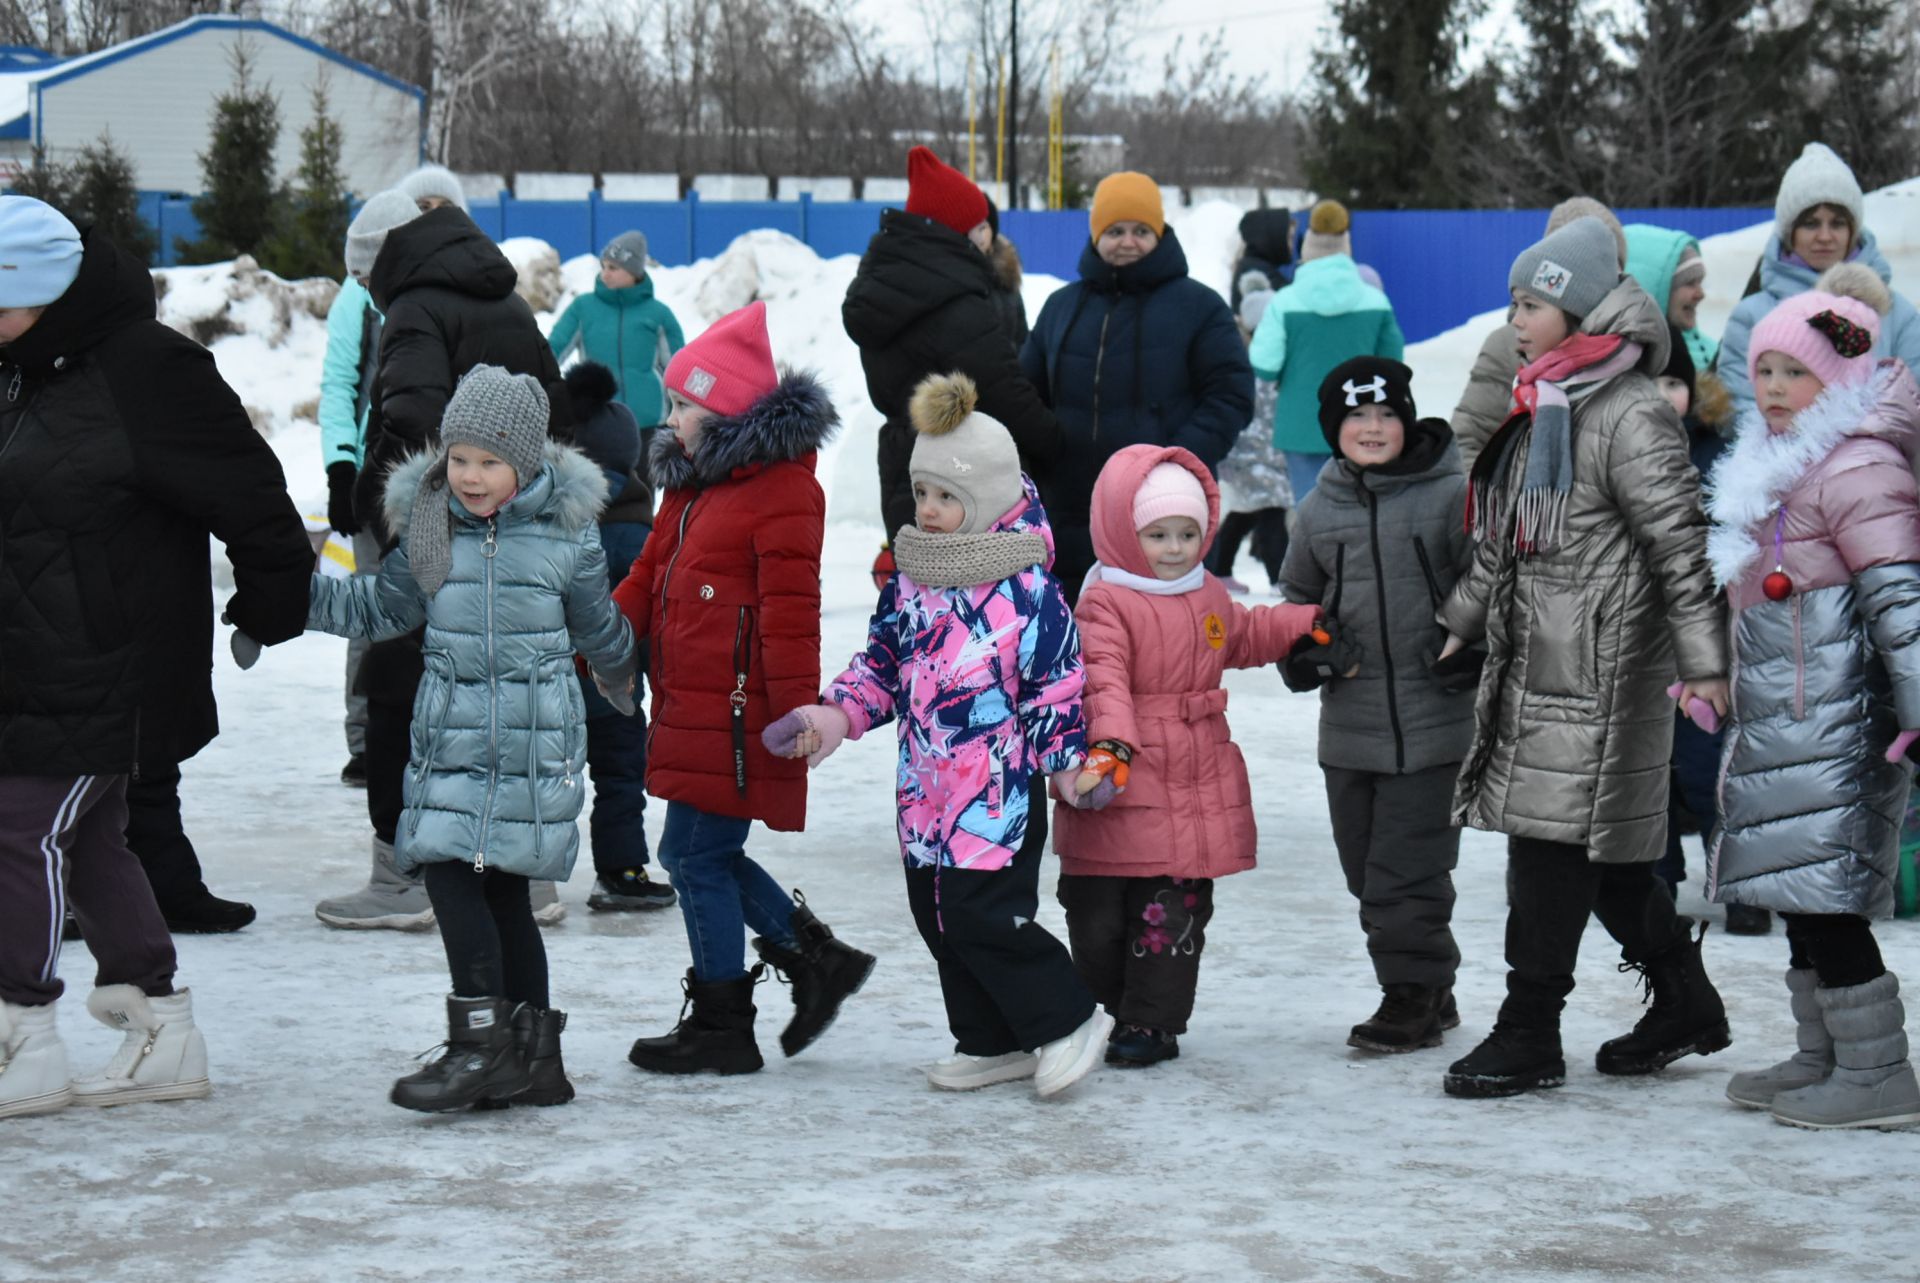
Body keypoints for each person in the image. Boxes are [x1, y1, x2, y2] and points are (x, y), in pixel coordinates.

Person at [0, 197, 312, 1120]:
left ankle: (21, 1033)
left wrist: (271, 602)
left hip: (110, 660)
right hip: (32, 660)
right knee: (92, 835)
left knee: (15, 830)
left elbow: (252, 492)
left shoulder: (148, 369)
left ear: (41, 293)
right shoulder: (22, 370)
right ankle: (160, 1025)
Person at [1436, 217, 1732, 1100]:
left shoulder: (1629, 411)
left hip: (1603, 670)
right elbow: (1506, 537)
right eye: (1514, 303)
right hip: (1543, 661)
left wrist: (1706, 662)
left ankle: (1529, 1028)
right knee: (1600, 854)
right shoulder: (1550, 400)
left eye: (1530, 304)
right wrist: (1464, 617)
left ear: (1576, 306)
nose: (1516, 320)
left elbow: (1682, 543)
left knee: (1548, 851)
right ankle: (1684, 998)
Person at [766, 372, 1111, 1096]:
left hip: (997, 792)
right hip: (924, 791)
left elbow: (1056, 686)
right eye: (922, 492)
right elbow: (884, 664)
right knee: (938, 916)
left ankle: (1068, 1017)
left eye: (947, 496)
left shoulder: (1029, 593)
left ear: (985, 500)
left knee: (985, 915)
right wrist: (834, 714)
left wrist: (1067, 765)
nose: (929, 508)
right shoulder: (913, 579)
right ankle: (992, 1038)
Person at [307, 366, 635, 1113]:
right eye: (459, 458)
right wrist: (294, 596)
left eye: (490, 461)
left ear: (525, 462)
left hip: (531, 739)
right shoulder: (432, 522)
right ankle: (528, 1058)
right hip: (453, 731)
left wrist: (623, 676)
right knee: (461, 870)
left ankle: (490, 1047)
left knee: (492, 885)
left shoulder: (568, 530)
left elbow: (597, 622)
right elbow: (380, 606)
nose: (471, 476)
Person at [612, 303, 874, 1075]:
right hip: (691, 705)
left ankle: (728, 1017)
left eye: (684, 405)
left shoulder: (783, 491)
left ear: (725, 408)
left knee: (693, 853)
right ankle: (811, 958)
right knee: (702, 850)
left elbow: (794, 613)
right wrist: (607, 636)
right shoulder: (689, 487)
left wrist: (799, 711)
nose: (672, 420)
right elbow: (648, 573)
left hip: (742, 716)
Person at [315, 190, 572, 931]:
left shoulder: (414, 308)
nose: (365, 292)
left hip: (441, 535)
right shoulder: (507, 299)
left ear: (378, 263)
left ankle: (403, 876)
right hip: (518, 533)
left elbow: (411, 418)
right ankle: (525, 879)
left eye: (363, 278)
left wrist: (378, 498)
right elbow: (553, 406)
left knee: (401, 689)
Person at [1705, 264, 1920, 1130]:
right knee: (1799, 890)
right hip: (1787, 711)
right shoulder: (1779, 464)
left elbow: (1900, 599)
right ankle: (1825, 1052)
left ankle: (1878, 1072)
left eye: (1796, 371)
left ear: (1839, 373)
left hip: (1839, 716)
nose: (1776, 388)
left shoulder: (1859, 465)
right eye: (1764, 370)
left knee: (1826, 894)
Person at [1056, 443, 1318, 1067]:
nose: (1174, 548)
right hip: (1116, 775)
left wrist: (1302, 622)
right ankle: (1100, 1006)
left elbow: (1244, 633)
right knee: (1098, 916)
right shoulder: (1105, 600)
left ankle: (1152, 1023)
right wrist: (1112, 744)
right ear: (1123, 532)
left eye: (1187, 533)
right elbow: (1102, 676)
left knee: (1170, 912)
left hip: (1193, 779)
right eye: (1157, 534)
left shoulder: (1206, 596)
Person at [1278, 358, 1476, 1053]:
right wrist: (1309, 647)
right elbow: (1296, 602)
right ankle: (1432, 983)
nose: (1371, 428)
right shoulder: (1320, 506)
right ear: (1334, 430)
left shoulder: (1451, 493)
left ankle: (1411, 995)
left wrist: (1468, 641)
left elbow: (1487, 585)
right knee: (1365, 868)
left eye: (1385, 415)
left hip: (1434, 720)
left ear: (1407, 419)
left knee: (1407, 869)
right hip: (1351, 725)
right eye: (1356, 417)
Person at [1023, 172, 1252, 599]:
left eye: (1141, 231)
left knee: (1161, 648)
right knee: (1075, 647)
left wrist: (1176, 463)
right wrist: (1047, 450)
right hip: (1069, 513)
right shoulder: (1061, 307)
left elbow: (1231, 395)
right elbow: (1026, 392)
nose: (1127, 242)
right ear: (1096, 236)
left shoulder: (1199, 307)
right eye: (1115, 231)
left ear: (1159, 234)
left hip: (1162, 514)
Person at [844, 145, 1061, 581]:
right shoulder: (957, 303)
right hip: (962, 475)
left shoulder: (887, 285)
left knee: (922, 603)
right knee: (971, 613)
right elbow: (1004, 389)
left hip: (907, 465)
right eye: (981, 227)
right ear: (958, 231)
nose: (989, 238)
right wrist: (1057, 440)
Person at [323, 166, 471, 789]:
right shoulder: (358, 295)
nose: (430, 214)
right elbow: (340, 383)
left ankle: (438, 732)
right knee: (374, 610)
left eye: (441, 206)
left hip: (453, 481)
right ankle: (367, 737)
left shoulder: (461, 287)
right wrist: (341, 466)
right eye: (422, 205)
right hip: (375, 480)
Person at [1647, 323, 1763, 932]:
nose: (1665, 395)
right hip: (1640, 641)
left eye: (1676, 382)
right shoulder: (1622, 454)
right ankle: (1657, 882)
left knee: (1709, 763)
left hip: (1707, 639)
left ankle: (1741, 883)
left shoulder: (1716, 455)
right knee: (1650, 769)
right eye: (1653, 382)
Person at [563, 360, 673, 911]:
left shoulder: (551, 514)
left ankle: (523, 874)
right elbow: (648, 613)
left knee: (543, 780)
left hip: (553, 682)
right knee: (620, 779)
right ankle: (621, 869)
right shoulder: (636, 527)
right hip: (615, 688)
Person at [1718, 143, 1920, 424]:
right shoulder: (1750, 316)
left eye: (1837, 223)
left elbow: (1913, 402)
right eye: (1811, 224)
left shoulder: (1897, 313)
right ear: (1789, 232)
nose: (1825, 236)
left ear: (1853, 230)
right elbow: (1739, 410)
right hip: (1780, 464)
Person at [1451, 199, 1627, 469]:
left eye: (1609, 260)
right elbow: (1467, 440)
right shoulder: (1508, 346)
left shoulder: (1633, 345)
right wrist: (1497, 505)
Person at [1249, 200, 1403, 504]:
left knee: (1311, 516)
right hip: (1363, 426)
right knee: (1361, 514)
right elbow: (1393, 365)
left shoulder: (1284, 302)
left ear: (1308, 247)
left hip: (1300, 426)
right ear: (1346, 245)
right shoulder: (1375, 301)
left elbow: (1265, 365)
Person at [1212, 221, 1294, 593]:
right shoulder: (1261, 365)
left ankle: (1220, 568)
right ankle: (1279, 578)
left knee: (1246, 513)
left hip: (1254, 453)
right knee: (1271, 512)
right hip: (1256, 452)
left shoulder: (1253, 357)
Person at [548, 230, 684, 424]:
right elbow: (552, 352)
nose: (605, 274)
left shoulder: (659, 314)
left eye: (613, 268)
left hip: (649, 422)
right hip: (595, 420)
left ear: (634, 272)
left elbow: (678, 374)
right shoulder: (582, 308)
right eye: (603, 266)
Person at [1624, 222, 1717, 371]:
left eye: (1700, 282)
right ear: (1658, 290)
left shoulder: (1716, 354)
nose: (1701, 294)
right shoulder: (1625, 362)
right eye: (1689, 283)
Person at [982, 195, 1029, 353]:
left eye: (983, 227)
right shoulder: (955, 277)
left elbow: (1021, 339)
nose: (979, 235)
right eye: (973, 227)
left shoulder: (1006, 276)